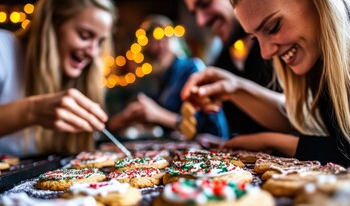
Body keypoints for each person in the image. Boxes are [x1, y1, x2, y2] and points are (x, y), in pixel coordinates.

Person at [0, 0, 116, 162]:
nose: (93, 52)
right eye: (84, 35)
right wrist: (32, 111)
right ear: (52, 24)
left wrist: (115, 126)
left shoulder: (82, 74)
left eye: (100, 42)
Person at [182, 0, 350, 167]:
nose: (266, 53)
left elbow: (344, 151)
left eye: (273, 27)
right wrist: (234, 87)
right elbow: (301, 116)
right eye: (255, 38)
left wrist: (271, 141)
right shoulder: (318, 63)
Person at [107, 15, 229, 139]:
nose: (158, 46)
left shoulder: (192, 68)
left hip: (213, 147)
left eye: (164, 39)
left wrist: (157, 114)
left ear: (174, 42)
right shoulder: (158, 78)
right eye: (152, 42)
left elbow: (203, 126)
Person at [184, 0, 278, 136]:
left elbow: (305, 122)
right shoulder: (221, 63)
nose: (200, 21)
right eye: (194, 14)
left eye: (205, 4)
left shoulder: (281, 45)